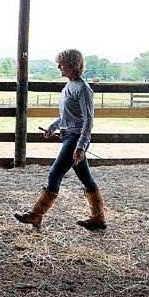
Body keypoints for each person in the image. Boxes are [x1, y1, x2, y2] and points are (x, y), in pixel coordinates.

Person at [14, 49, 106, 231]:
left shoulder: (83, 89)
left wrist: (81, 146)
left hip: (74, 139)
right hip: (69, 136)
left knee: (55, 174)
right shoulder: (69, 87)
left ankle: (36, 215)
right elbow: (67, 116)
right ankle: (98, 218)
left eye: (61, 64)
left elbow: (88, 120)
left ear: (73, 65)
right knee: (86, 178)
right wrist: (53, 126)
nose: (58, 67)